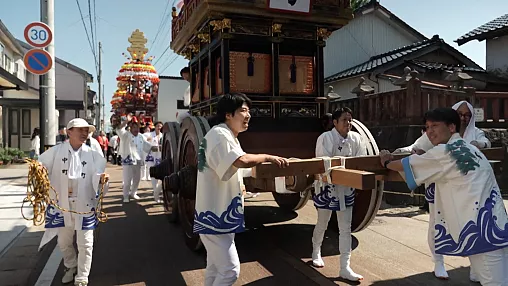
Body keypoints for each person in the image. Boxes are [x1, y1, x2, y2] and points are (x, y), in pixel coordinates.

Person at [380, 107, 508, 286]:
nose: (430, 131)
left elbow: (406, 165)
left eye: (435, 126)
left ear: (452, 127)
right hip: (497, 225)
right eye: (427, 127)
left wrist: (386, 160)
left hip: (480, 232)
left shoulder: (444, 152)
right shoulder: (468, 148)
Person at [194, 93, 289, 285]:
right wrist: (268, 157)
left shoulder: (228, 136)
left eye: (249, 111)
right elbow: (241, 160)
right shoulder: (220, 134)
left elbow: (235, 169)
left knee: (214, 269)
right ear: (228, 114)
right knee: (230, 270)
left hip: (219, 214)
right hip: (214, 216)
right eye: (243, 110)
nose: (248, 115)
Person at [36, 118, 109, 286]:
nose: (84, 133)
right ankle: (71, 265)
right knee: (63, 242)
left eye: (86, 130)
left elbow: (98, 173)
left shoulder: (92, 154)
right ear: (69, 131)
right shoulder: (55, 151)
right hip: (61, 203)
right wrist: (39, 169)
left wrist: (101, 179)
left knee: (85, 243)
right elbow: (40, 164)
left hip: (84, 203)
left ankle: (82, 276)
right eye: (80, 130)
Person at [311, 107, 366, 282]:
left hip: (347, 188)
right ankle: (316, 251)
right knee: (323, 222)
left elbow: (360, 161)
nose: (348, 123)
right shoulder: (325, 138)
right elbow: (322, 162)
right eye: (344, 120)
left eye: (350, 119)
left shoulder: (356, 138)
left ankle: (345, 267)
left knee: (345, 228)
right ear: (334, 122)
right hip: (327, 187)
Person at [116, 115, 152, 203]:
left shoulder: (140, 136)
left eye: (137, 127)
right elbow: (119, 129)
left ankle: (133, 193)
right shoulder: (125, 135)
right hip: (128, 161)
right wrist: (126, 121)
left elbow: (148, 146)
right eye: (134, 127)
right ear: (130, 128)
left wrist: (159, 148)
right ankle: (125, 196)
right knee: (127, 180)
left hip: (138, 161)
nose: (136, 129)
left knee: (137, 179)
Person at [146, 121, 164, 203]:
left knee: (160, 175)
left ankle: (157, 192)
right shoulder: (150, 135)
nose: (159, 128)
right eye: (158, 126)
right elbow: (148, 146)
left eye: (160, 126)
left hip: (160, 157)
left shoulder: (163, 136)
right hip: (151, 158)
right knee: (153, 176)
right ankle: (156, 193)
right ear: (155, 127)